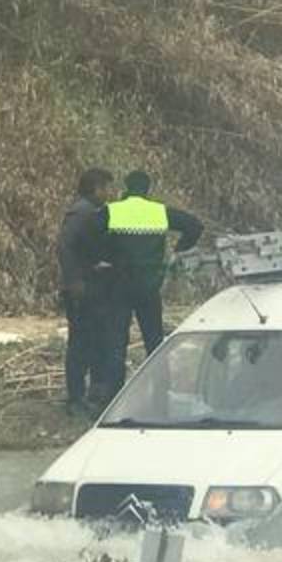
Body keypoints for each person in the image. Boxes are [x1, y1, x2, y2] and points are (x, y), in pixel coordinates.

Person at [86, 170, 203, 399]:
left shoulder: (112, 211)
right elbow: (195, 226)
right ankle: (160, 396)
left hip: (118, 285)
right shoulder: (160, 212)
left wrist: (100, 257)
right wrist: (179, 248)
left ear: (126, 187)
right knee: (154, 342)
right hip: (149, 287)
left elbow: (86, 235)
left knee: (116, 344)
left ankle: (113, 399)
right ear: (148, 189)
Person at [57, 168, 117, 416]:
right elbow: (65, 246)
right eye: (105, 188)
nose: (108, 193)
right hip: (81, 289)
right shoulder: (81, 213)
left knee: (95, 340)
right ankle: (75, 398)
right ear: (95, 188)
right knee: (80, 342)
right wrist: (75, 281)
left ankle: (93, 393)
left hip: (91, 286)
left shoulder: (91, 212)